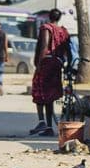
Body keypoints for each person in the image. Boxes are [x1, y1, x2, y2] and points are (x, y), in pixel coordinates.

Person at [30, 8, 71, 136]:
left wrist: (39, 65)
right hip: (57, 64)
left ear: (49, 16)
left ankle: (41, 121)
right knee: (50, 96)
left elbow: (44, 47)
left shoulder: (46, 28)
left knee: (39, 91)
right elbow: (68, 50)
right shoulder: (63, 31)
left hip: (46, 63)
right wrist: (68, 66)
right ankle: (48, 128)